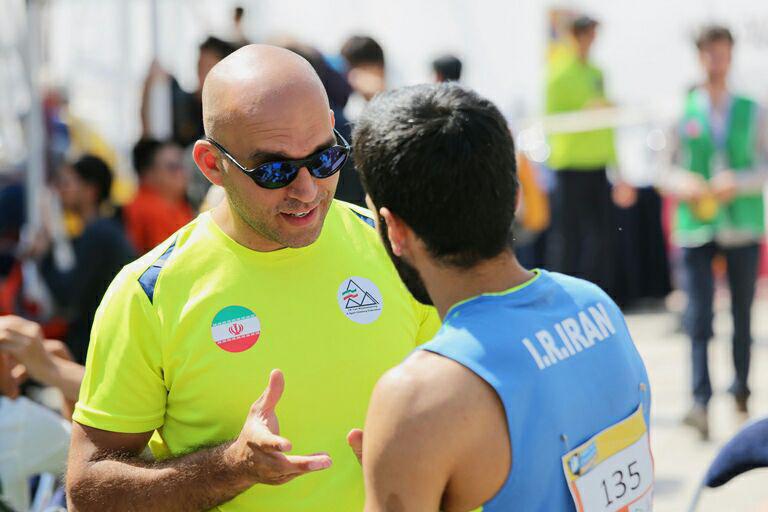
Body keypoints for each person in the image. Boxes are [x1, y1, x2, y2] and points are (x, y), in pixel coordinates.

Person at [66, 45, 438, 512]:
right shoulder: (149, 293)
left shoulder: (397, 250)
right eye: (275, 171)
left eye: (325, 158)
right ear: (211, 164)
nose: (307, 189)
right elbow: (88, 491)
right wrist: (231, 468)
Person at [352, 83, 652, 511]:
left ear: (395, 230)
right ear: (515, 198)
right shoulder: (596, 305)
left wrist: (400, 468)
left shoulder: (419, 398)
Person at [663, 25, 767, 439]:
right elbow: (665, 168)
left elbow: (764, 164)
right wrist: (683, 182)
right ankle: (700, 401)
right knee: (699, 316)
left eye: (722, 53)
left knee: (742, 314)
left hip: (742, 224)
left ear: (731, 55)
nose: (716, 61)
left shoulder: (753, 109)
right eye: (709, 53)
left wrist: (738, 181)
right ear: (699, 55)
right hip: (697, 226)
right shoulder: (681, 110)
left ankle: (741, 392)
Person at [545, 15, 635, 297]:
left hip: (597, 165)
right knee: (568, 238)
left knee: (602, 237)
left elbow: (607, 126)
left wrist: (618, 170)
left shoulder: (597, 72)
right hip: (570, 165)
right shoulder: (557, 74)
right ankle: (562, 297)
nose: (589, 42)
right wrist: (587, 113)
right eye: (585, 35)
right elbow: (551, 121)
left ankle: (595, 296)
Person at [38, 155, 135, 364]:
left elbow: (67, 295)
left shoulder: (98, 233)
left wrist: (44, 253)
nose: (59, 191)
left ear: (90, 190)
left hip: (99, 346)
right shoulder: (105, 229)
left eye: (66, 183)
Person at [141, 36, 237, 148]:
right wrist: (149, 88)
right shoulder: (182, 101)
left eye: (207, 67)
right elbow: (151, 135)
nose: (200, 74)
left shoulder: (230, 115)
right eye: (199, 66)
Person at [124, 138, 194, 254]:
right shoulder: (148, 208)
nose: (183, 173)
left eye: (183, 166)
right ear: (149, 174)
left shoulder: (177, 203)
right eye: (173, 167)